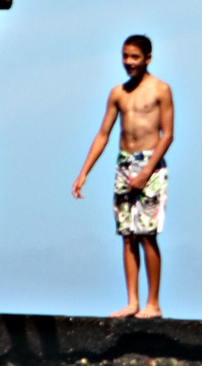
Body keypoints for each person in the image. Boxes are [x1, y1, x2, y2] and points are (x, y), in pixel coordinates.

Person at [72, 35, 174, 318]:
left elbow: (168, 136)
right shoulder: (118, 93)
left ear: (148, 58)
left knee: (147, 235)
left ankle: (153, 303)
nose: (128, 62)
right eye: (125, 56)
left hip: (149, 164)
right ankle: (132, 301)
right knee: (127, 235)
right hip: (124, 164)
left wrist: (146, 172)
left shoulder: (160, 90)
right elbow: (103, 134)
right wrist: (84, 173)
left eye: (135, 57)